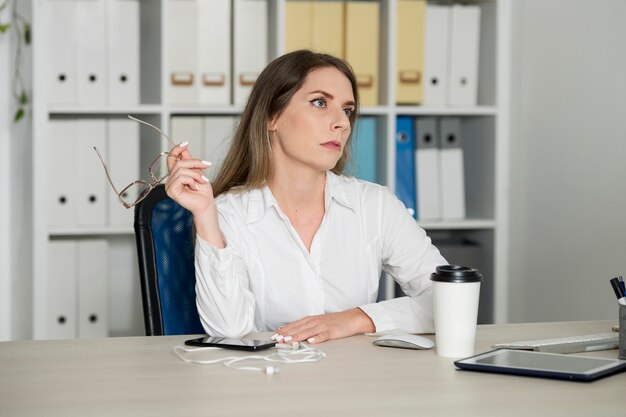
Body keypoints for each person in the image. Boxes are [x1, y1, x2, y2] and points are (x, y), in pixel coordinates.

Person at [165, 50, 447, 344]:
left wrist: (355, 319)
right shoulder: (230, 213)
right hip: (266, 382)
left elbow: (450, 300)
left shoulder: (375, 205)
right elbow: (228, 330)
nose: (342, 123)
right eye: (320, 103)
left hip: (356, 381)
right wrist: (206, 217)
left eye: (347, 110)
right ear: (272, 117)